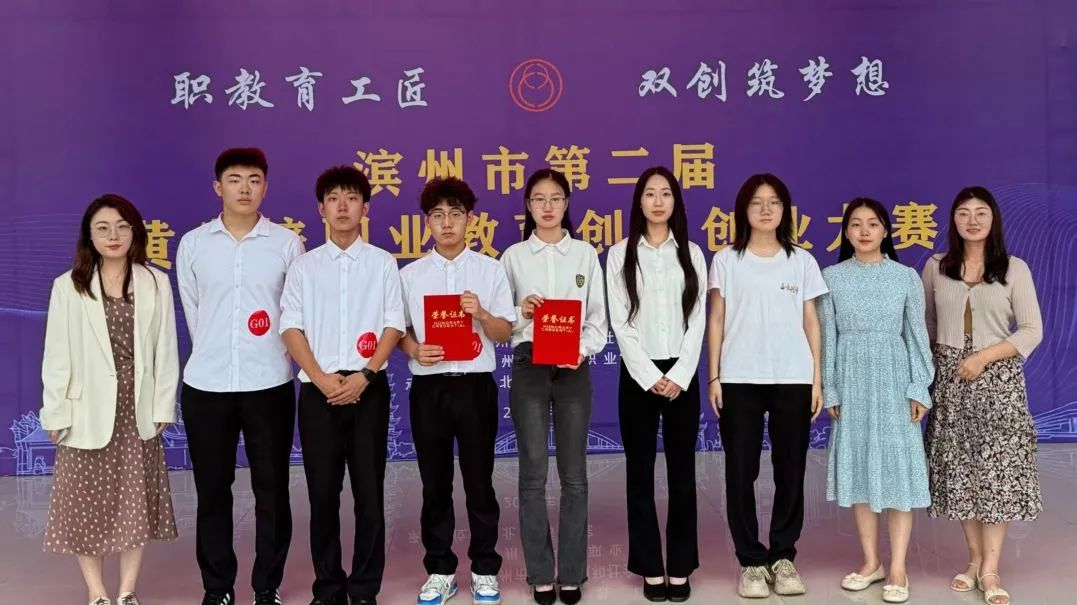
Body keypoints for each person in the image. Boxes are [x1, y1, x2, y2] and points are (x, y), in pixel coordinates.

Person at [176, 147, 304, 605]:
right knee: (213, 491)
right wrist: (217, 350)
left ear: (265, 187)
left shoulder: (286, 244)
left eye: (254, 180)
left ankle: (267, 586)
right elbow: (194, 311)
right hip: (207, 385)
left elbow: (295, 312)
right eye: (234, 179)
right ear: (218, 187)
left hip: (268, 382)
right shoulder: (194, 244)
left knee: (272, 490)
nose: (244, 188)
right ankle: (218, 587)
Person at [41, 194, 179, 605]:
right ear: (90, 236)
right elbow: (57, 355)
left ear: (135, 232)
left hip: (137, 406)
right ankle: (97, 591)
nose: (113, 235)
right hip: (85, 408)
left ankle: (127, 591)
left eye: (121, 226)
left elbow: (165, 348)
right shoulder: (68, 286)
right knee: (84, 501)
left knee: (134, 500)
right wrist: (56, 411)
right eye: (102, 228)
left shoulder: (155, 282)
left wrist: (163, 404)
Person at [280, 166, 404, 605]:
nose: (343, 207)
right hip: (320, 392)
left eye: (352, 198)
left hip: (368, 388)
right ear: (321, 209)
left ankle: (365, 588)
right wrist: (319, 377)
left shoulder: (382, 262)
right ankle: (328, 588)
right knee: (322, 494)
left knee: (370, 492)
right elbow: (290, 327)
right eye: (334, 199)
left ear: (365, 208)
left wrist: (366, 375)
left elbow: (394, 324)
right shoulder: (304, 266)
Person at [706, 173, 826, 599]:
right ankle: (751, 562)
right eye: (756, 202)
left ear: (784, 210)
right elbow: (716, 319)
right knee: (741, 471)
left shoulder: (801, 261)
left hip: (793, 376)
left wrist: (816, 379)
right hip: (739, 377)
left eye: (774, 202)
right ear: (744, 210)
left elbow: (811, 321)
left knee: (791, 470)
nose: (765, 209)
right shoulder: (727, 259)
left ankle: (783, 557)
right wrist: (715, 375)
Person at [922, 186, 1043, 605]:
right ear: (953, 220)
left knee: (996, 471)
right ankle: (973, 560)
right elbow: (927, 324)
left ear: (993, 220)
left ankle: (991, 568)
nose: (972, 221)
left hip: (998, 380)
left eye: (980, 213)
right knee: (961, 471)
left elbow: (1032, 330)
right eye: (963, 213)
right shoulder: (936, 266)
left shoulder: (1014, 268)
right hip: (950, 380)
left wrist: (983, 357)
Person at [398, 177, 516, 605]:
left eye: (455, 214)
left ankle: (484, 569)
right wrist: (414, 348)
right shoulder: (410, 275)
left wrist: (481, 313)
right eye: (437, 215)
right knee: (434, 483)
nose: (446, 223)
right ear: (426, 222)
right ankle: (440, 570)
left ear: (470, 219)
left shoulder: (489, 269)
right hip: (429, 388)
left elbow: (504, 333)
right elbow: (398, 330)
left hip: (474, 387)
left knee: (479, 483)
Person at [499, 168, 608, 605]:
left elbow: (597, 319)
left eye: (556, 198)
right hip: (529, 365)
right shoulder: (513, 257)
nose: (547, 206)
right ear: (528, 206)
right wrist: (521, 311)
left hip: (573, 367)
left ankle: (572, 574)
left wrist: (581, 350)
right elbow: (499, 323)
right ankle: (541, 574)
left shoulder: (584, 254)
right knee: (532, 474)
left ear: (567, 204)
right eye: (539, 199)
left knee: (574, 476)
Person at [818, 198, 934, 604]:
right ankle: (871, 562)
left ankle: (898, 566)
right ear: (846, 232)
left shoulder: (905, 277)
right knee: (861, 471)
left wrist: (919, 386)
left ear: (886, 230)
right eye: (855, 224)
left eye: (872, 223)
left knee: (898, 472)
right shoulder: (831, 277)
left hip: (894, 381)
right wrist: (830, 387)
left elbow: (916, 334)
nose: (864, 231)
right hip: (851, 381)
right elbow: (827, 338)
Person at [606, 167, 706, 603]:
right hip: (638, 374)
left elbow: (698, 319)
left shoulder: (692, 253)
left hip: (682, 374)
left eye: (666, 193)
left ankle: (680, 566)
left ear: (675, 202)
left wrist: (679, 375)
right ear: (639, 202)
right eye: (650, 194)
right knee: (640, 474)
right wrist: (649, 376)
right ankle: (649, 565)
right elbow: (620, 321)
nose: (659, 201)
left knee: (683, 474)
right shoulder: (620, 254)